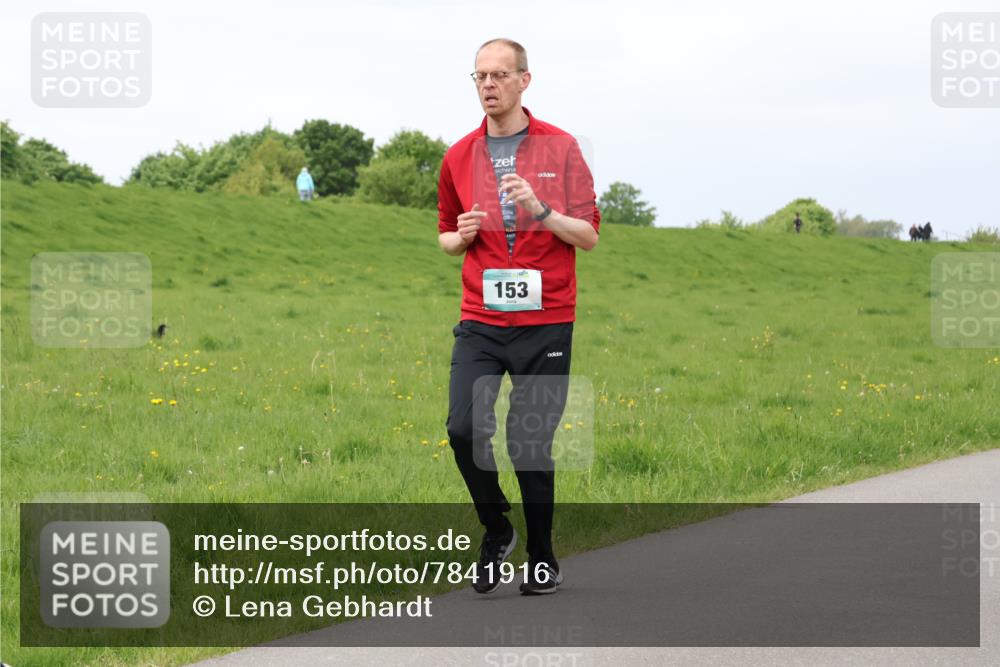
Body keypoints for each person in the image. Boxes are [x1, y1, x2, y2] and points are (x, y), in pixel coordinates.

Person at [437, 38, 600, 596]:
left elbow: (590, 235)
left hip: (546, 320)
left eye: (500, 75)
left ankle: (542, 556)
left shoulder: (561, 148)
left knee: (528, 443)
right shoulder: (458, 154)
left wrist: (542, 209)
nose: (489, 85)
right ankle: (496, 527)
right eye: (480, 76)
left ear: (524, 81)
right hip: (481, 318)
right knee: (462, 429)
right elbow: (443, 233)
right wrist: (456, 239)